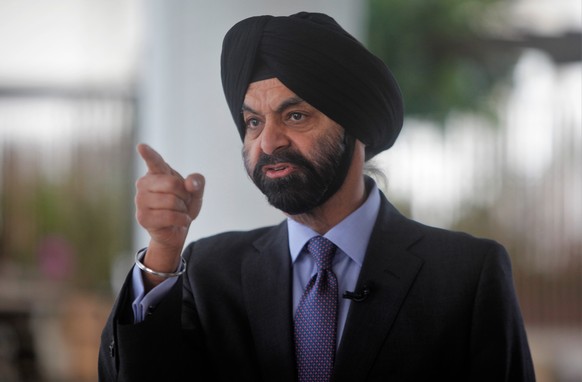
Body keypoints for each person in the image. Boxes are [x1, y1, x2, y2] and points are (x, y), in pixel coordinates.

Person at [98, 11, 535, 382]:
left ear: (355, 127)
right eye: (253, 122)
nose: (268, 142)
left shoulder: (465, 277)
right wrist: (162, 252)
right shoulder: (207, 273)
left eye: (295, 115)